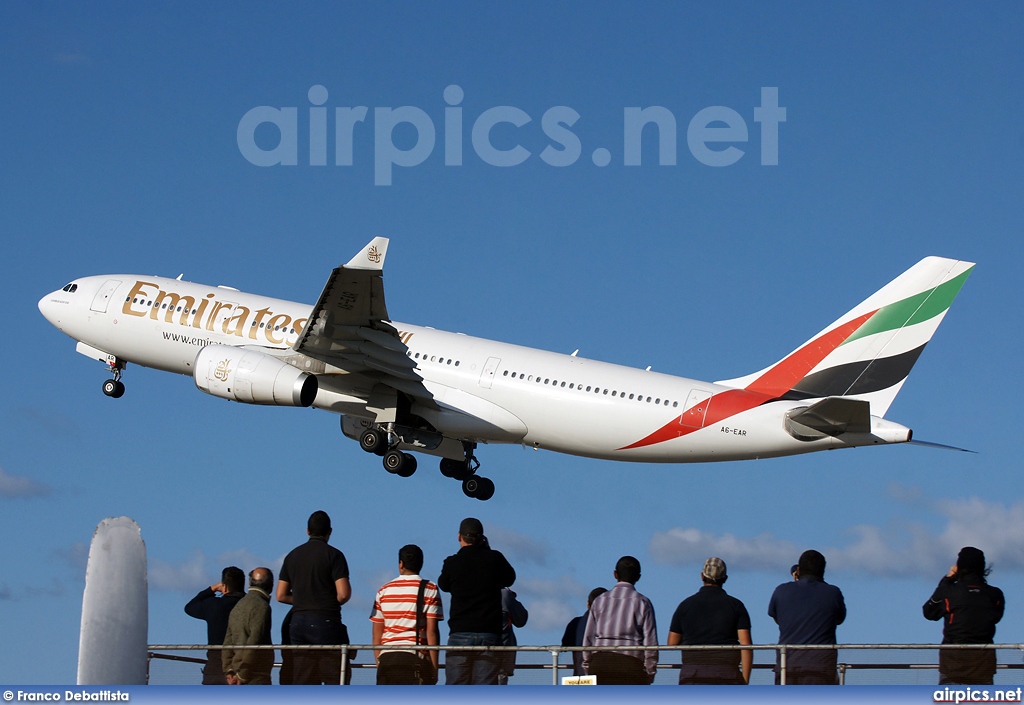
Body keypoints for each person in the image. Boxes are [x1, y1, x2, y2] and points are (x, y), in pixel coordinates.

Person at [437, 517, 516, 685]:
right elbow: (510, 578)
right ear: (482, 538)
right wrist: (487, 550)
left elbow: (443, 585)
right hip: (489, 633)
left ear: (459, 536)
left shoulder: (452, 562)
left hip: (460, 632)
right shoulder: (494, 559)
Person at [276, 510, 352, 685]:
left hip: (297, 623)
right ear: (329, 532)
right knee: (335, 677)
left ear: (307, 531)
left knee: (303, 679)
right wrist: (323, 601)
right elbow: (343, 593)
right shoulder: (334, 555)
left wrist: (304, 599)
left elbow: (280, 595)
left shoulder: (292, 556)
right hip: (326, 621)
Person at [923, 547, 1005, 685]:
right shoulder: (995, 595)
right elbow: (996, 617)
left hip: (952, 664)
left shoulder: (949, 591)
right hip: (983, 665)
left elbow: (929, 612)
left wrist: (948, 579)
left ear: (959, 566)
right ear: (982, 567)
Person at [666, 557, 752, 685]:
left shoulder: (685, 605)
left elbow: (671, 643)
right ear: (725, 578)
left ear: (702, 576)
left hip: (692, 674)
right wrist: (744, 681)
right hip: (726, 673)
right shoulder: (736, 605)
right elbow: (746, 646)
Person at [767, 549, 846, 685]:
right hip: (821, 668)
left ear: (798, 570)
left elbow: (778, 619)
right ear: (823, 571)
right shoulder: (833, 593)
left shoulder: (781, 591)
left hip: (787, 666)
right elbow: (839, 619)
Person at [369, 544, 444, 685]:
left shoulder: (383, 590)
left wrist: (379, 661)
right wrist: (434, 668)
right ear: (421, 564)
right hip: (414, 658)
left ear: (401, 564)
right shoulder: (430, 588)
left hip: (387, 660)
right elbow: (432, 632)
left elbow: (376, 633)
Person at [582, 556, 658, 685]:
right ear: (638, 577)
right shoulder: (643, 602)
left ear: (615, 574)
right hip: (631, 666)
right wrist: (649, 672)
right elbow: (651, 643)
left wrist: (588, 666)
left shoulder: (599, 600)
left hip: (600, 664)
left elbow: (588, 639)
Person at [184, 566, 245, 685]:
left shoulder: (214, 605)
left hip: (216, 664)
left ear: (225, 586)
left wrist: (212, 589)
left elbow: (190, 607)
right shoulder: (249, 604)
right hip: (243, 663)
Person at [222, 568, 274, 685]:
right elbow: (255, 640)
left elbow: (228, 641)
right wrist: (243, 674)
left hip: (236, 672)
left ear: (250, 583)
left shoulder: (238, 606)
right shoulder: (262, 606)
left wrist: (229, 670)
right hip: (255, 674)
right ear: (271, 585)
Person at [561, 587, 607, 677]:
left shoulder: (575, 624)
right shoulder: (611, 625)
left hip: (580, 677)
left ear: (588, 604)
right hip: (606, 679)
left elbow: (564, 646)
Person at [498, 587, 528, 685]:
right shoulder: (504, 595)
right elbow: (521, 620)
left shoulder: (466, 591)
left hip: (471, 655)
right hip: (501, 656)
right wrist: (511, 597)